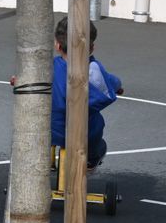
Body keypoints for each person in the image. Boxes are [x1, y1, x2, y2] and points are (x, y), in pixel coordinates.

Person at [52, 16, 123, 169]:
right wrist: (118, 86)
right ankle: (91, 160)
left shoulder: (48, 67)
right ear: (91, 48)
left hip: (50, 131)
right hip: (84, 136)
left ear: (57, 45)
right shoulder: (93, 70)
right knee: (96, 130)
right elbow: (111, 82)